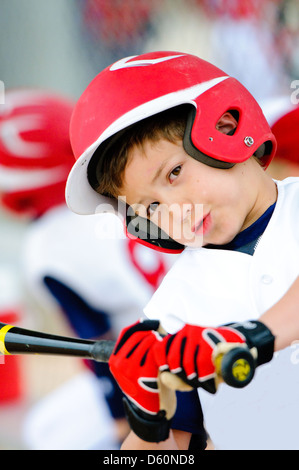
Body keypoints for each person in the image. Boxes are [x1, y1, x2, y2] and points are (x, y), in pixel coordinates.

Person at [65, 51, 299, 450]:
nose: (174, 213)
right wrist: (148, 422)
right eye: (151, 207)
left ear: (225, 126)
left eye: (174, 173)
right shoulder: (173, 310)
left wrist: (248, 337)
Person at [0, 88, 176, 449]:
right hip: (201, 339)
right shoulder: (117, 195)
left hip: (154, 366)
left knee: (47, 433)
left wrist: (120, 422)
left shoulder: (49, 245)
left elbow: (94, 345)